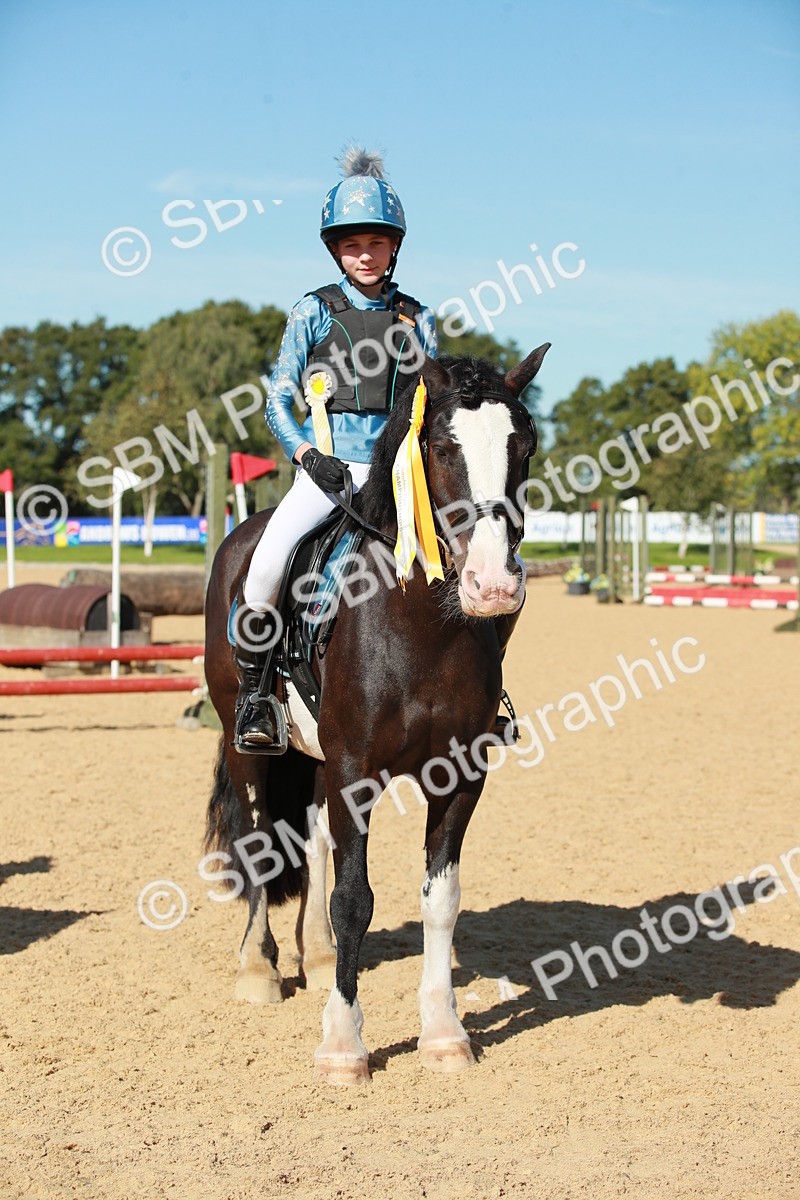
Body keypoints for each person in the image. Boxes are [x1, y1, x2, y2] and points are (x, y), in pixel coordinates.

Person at [234, 148, 438, 753]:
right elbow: (277, 399)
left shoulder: (417, 318)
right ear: (335, 250)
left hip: (400, 476)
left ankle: (482, 694)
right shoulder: (312, 312)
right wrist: (305, 456)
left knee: (473, 562)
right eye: (352, 245)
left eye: (376, 243)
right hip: (326, 473)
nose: (365, 255)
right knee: (267, 566)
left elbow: (433, 399)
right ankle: (256, 695)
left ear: (394, 247)